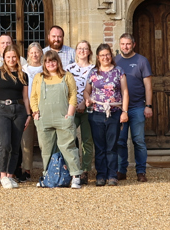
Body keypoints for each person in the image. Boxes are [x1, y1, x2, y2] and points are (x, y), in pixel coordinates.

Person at [30, 50, 83, 188]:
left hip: (63, 117)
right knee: (46, 148)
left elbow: (72, 95)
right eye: (47, 61)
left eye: (53, 61)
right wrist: (35, 113)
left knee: (68, 146)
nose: (50, 64)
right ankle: (48, 176)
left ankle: (75, 176)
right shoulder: (39, 77)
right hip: (44, 118)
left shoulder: (67, 76)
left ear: (58, 62)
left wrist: (70, 114)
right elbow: (34, 96)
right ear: (44, 63)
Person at [85, 43, 130, 186]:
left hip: (114, 113)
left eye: (107, 54)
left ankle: (112, 175)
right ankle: (101, 175)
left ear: (111, 55)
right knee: (100, 146)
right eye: (102, 55)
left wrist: (124, 111)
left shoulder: (118, 71)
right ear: (98, 57)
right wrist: (88, 99)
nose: (105, 57)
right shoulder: (93, 72)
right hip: (97, 113)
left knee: (112, 145)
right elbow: (87, 91)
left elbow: (125, 92)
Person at [0, 46, 31, 189]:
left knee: (15, 145)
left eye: (14, 57)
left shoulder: (23, 75)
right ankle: (2, 175)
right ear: (4, 58)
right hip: (2, 109)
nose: (11, 60)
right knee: (5, 144)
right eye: (8, 57)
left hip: (19, 110)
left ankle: (11, 175)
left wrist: (29, 114)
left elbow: (25, 97)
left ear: (17, 58)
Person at [115, 33, 153, 182]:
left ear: (134, 45)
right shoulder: (115, 61)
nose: (125, 47)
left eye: (128, 44)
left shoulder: (142, 61)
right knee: (120, 141)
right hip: (120, 108)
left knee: (138, 141)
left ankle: (141, 171)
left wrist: (148, 106)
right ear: (119, 45)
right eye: (123, 44)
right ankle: (121, 170)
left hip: (137, 107)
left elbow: (148, 86)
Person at [66, 40, 96, 183]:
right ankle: (73, 169)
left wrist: (84, 103)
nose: (82, 51)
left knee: (87, 140)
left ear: (89, 51)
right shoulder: (69, 68)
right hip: (72, 108)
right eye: (79, 48)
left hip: (89, 109)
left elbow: (97, 89)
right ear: (76, 51)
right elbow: (66, 89)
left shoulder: (95, 69)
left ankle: (85, 170)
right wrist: (74, 105)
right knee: (70, 139)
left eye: (85, 48)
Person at [20, 42, 44, 181]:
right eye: (32, 52)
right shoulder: (24, 69)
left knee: (43, 141)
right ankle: (26, 169)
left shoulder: (46, 68)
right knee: (26, 141)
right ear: (28, 54)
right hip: (26, 109)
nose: (35, 55)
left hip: (42, 109)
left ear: (41, 53)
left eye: (37, 52)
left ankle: (47, 168)